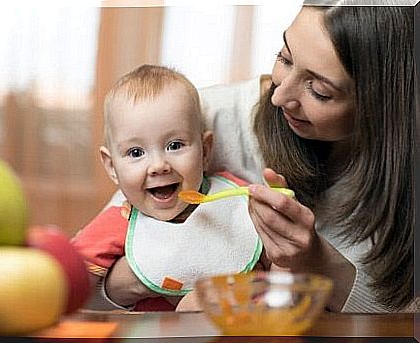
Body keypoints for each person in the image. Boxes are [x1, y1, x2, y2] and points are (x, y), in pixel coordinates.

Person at [96, 1, 415, 313]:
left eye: (318, 90)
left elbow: (407, 315)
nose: (278, 96)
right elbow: (88, 292)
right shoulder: (193, 121)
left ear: (382, 103)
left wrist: (317, 261)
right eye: (285, 57)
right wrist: (153, 273)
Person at [71, 65, 264, 311]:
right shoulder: (121, 222)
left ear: (205, 151)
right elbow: (69, 283)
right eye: (136, 152)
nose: (159, 166)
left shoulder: (236, 198)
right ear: (111, 166)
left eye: (174, 145)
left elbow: (281, 261)